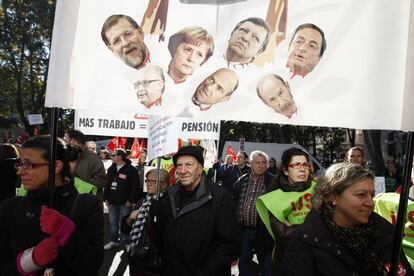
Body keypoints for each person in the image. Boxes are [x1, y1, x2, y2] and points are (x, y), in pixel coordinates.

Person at [280, 162, 414, 275]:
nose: (370, 203)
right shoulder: (307, 240)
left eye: (372, 194)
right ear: (332, 196)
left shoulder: (385, 233)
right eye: (361, 195)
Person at [0, 136, 103, 275]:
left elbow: (92, 264)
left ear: (56, 166)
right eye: (19, 164)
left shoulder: (87, 205)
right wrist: (29, 261)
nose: (20, 171)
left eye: (29, 165)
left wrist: (67, 233)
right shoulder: (9, 208)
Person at [153, 146, 240, 275]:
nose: (182, 171)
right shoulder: (169, 195)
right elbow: (160, 236)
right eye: (179, 165)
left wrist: (205, 272)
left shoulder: (221, 197)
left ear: (200, 169)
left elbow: (229, 244)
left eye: (188, 165)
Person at [256, 148, 316, 274]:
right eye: (296, 165)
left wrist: (296, 227)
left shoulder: (319, 189)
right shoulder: (273, 196)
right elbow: (285, 236)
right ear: (285, 170)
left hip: (319, 260)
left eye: (305, 165)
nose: (302, 169)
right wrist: (317, 228)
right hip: (288, 260)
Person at [233, 150, 277, 276]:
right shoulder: (242, 180)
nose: (261, 165)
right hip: (244, 230)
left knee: (266, 264)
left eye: (264, 163)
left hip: (265, 230)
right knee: (244, 262)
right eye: (257, 162)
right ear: (251, 164)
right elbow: (234, 200)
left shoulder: (273, 182)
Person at [121, 168, 169, 276]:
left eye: (154, 181)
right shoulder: (142, 202)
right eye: (148, 180)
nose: (149, 184)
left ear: (164, 184)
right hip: (136, 257)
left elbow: (161, 235)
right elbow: (125, 229)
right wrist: (129, 219)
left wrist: (156, 216)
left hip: (154, 261)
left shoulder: (167, 204)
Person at [104, 149, 141, 250]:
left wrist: (131, 200)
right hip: (112, 201)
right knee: (113, 222)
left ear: (120, 157)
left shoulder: (131, 169)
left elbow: (135, 186)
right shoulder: (111, 169)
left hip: (125, 202)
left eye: (113, 155)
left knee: (125, 223)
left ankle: (127, 242)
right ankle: (114, 241)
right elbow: (107, 184)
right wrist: (105, 198)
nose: (112, 157)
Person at [68, 130, 107, 200]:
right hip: (72, 202)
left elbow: (101, 180)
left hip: (88, 203)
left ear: (73, 141)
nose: (66, 143)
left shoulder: (93, 158)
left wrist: (79, 185)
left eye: (67, 140)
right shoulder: (69, 155)